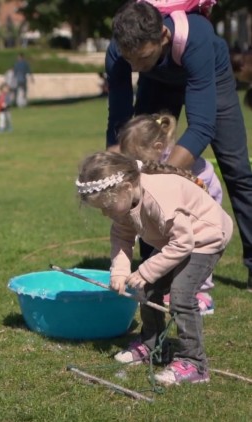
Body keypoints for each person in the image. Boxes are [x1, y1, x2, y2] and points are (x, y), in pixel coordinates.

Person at [105, 1, 252, 291]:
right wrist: (115, 174)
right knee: (137, 164)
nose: (133, 67)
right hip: (158, 81)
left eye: (141, 58)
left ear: (163, 36)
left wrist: (157, 177)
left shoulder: (197, 38)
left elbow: (201, 126)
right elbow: (119, 122)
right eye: (128, 59)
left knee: (236, 170)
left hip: (211, 73)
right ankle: (155, 269)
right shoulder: (120, 52)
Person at [77, 151, 232, 385]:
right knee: (148, 288)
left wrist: (146, 271)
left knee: (181, 295)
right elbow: (121, 237)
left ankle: (194, 363)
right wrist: (119, 272)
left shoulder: (159, 200)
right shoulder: (126, 199)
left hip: (205, 238)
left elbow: (184, 243)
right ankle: (154, 346)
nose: (105, 212)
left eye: (107, 205)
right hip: (179, 241)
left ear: (127, 187)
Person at [118, 112, 222, 314]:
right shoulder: (151, 162)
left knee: (199, 248)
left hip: (202, 209)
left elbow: (201, 188)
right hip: (176, 209)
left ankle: (202, 293)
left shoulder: (178, 163)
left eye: (135, 158)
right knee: (173, 245)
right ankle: (174, 285)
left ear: (157, 148)